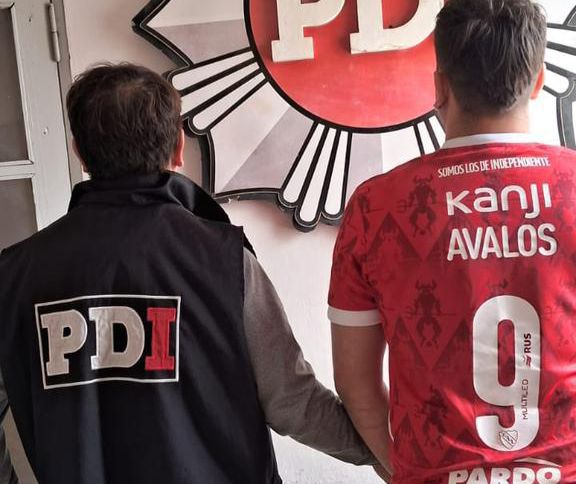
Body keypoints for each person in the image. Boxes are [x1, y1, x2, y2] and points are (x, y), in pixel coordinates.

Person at [0, 63, 377, 483]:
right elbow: (293, 402)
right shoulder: (225, 262)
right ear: (179, 147)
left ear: (80, 154)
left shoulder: (15, 275)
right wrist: (393, 451)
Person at [328, 0, 576, 482]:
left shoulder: (375, 208)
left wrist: (404, 470)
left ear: (440, 87)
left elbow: (355, 384)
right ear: (538, 82)